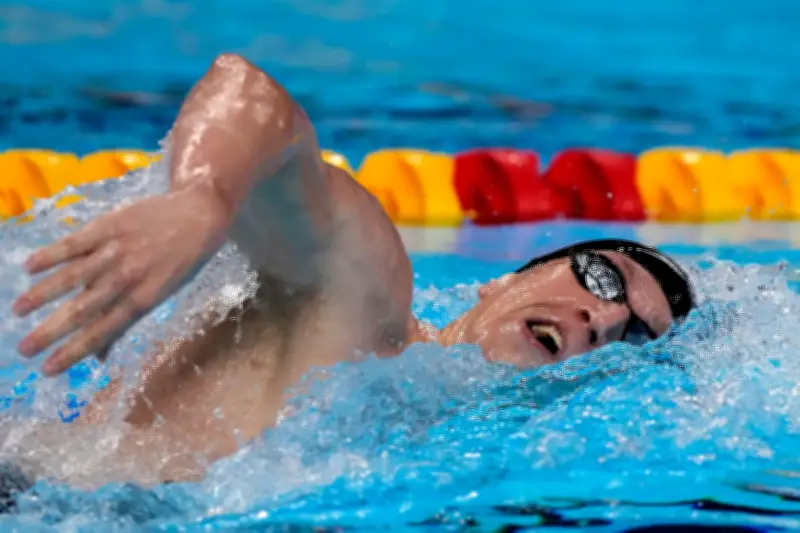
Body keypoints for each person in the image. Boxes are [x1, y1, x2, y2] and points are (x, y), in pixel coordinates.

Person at [5, 54, 696, 488]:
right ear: (504, 278)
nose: (603, 319)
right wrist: (203, 199)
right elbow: (248, 93)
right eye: (602, 279)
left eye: (633, 334)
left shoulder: (438, 453)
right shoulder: (367, 303)